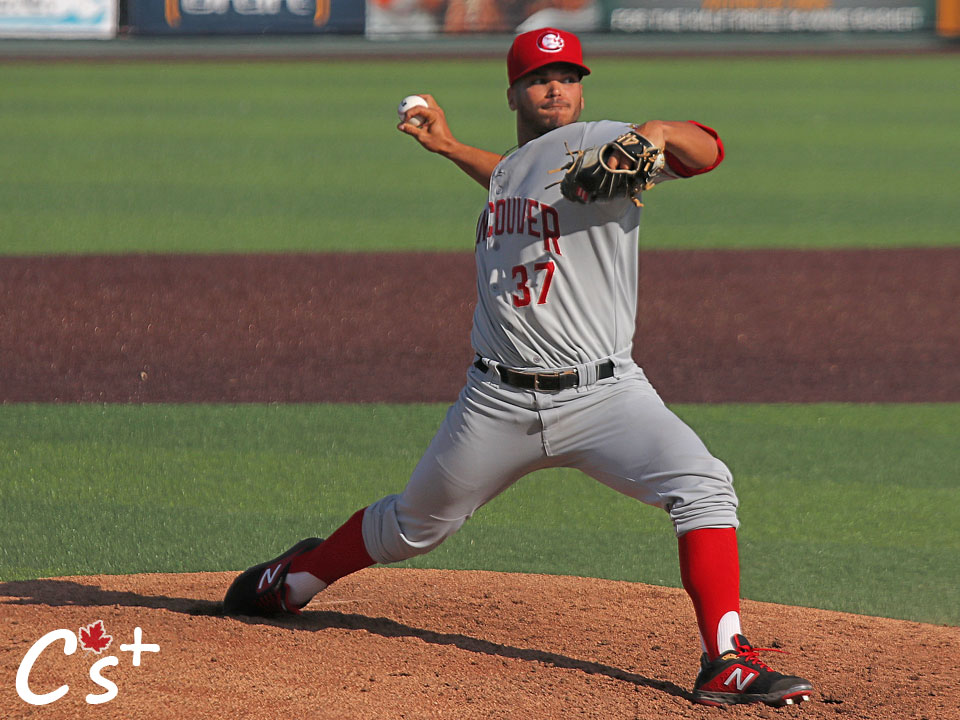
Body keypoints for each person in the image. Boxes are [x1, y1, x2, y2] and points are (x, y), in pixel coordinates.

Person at [224, 27, 814, 708]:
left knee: (704, 485)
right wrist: (450, 148)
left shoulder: (606, 142)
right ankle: (294, 581)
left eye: (567, 76)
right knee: (415, 526)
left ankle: (725, 660)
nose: (555, 88)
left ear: (583, 89)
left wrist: (655, 132)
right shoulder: (510, 170)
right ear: (513, 93)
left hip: (607, 396)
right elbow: (514, 174)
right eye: (539, 78)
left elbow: (707, 150)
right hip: (495, 405)